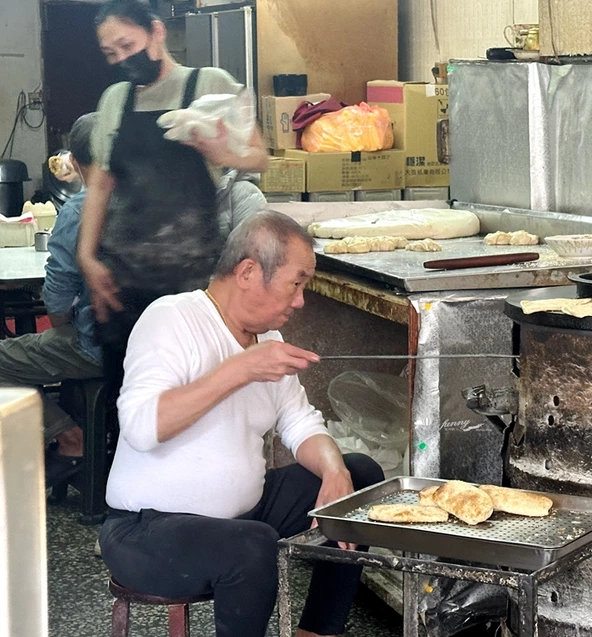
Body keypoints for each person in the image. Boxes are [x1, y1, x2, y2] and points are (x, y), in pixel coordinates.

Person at [99, 211, 384, 637]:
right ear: (248, 272)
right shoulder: (172, 318)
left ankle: (318, 631)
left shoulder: (268, 340)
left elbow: (301, 423)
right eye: (296, 283)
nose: (300, 301)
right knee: (253, 545)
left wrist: (334, 471)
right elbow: (141, 428)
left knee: (359, 477)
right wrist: (241, 369)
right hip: (146, 531)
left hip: (243, 515)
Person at [78, 0, 269, 406]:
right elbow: (100, 185)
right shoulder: (114, 100)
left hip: (193, 282)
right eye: (110, 53)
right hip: (124, 284)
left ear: (156, 32)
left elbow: (259, 156)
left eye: (127, 45)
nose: (121, 59)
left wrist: (222, 154)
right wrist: (86, 257)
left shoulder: (208, 84)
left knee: (197, 402)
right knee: (129, 404)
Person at [0, 113, 102, 487]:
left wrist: (63, 327)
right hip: (156, 341)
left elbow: (57, 301)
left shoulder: (79, 209)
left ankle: (69, 437)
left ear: (75, 160)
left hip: (99, 346)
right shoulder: (157, 199)